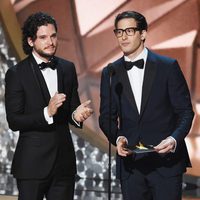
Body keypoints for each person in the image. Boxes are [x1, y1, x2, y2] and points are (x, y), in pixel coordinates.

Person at [99, 11, 194, 200]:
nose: (123, 36)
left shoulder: (167, 66)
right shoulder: (110, 72)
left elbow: (185, 112)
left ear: (143, 34)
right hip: (131, 167)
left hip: (165, 164)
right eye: (119, 32)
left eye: (129, 30)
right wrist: (118, 139)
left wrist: (173, 139)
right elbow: (106, 117)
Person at [5, 12, 93, 200]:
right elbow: (14, 120)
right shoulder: (16, 74)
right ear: (31, 41)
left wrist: (77, 116)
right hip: (32, 166)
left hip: (63, 164)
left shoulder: (67, 68)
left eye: (53, 36)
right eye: (43, 37)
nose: (50, 42)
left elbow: (71, 109)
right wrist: (47, 112)